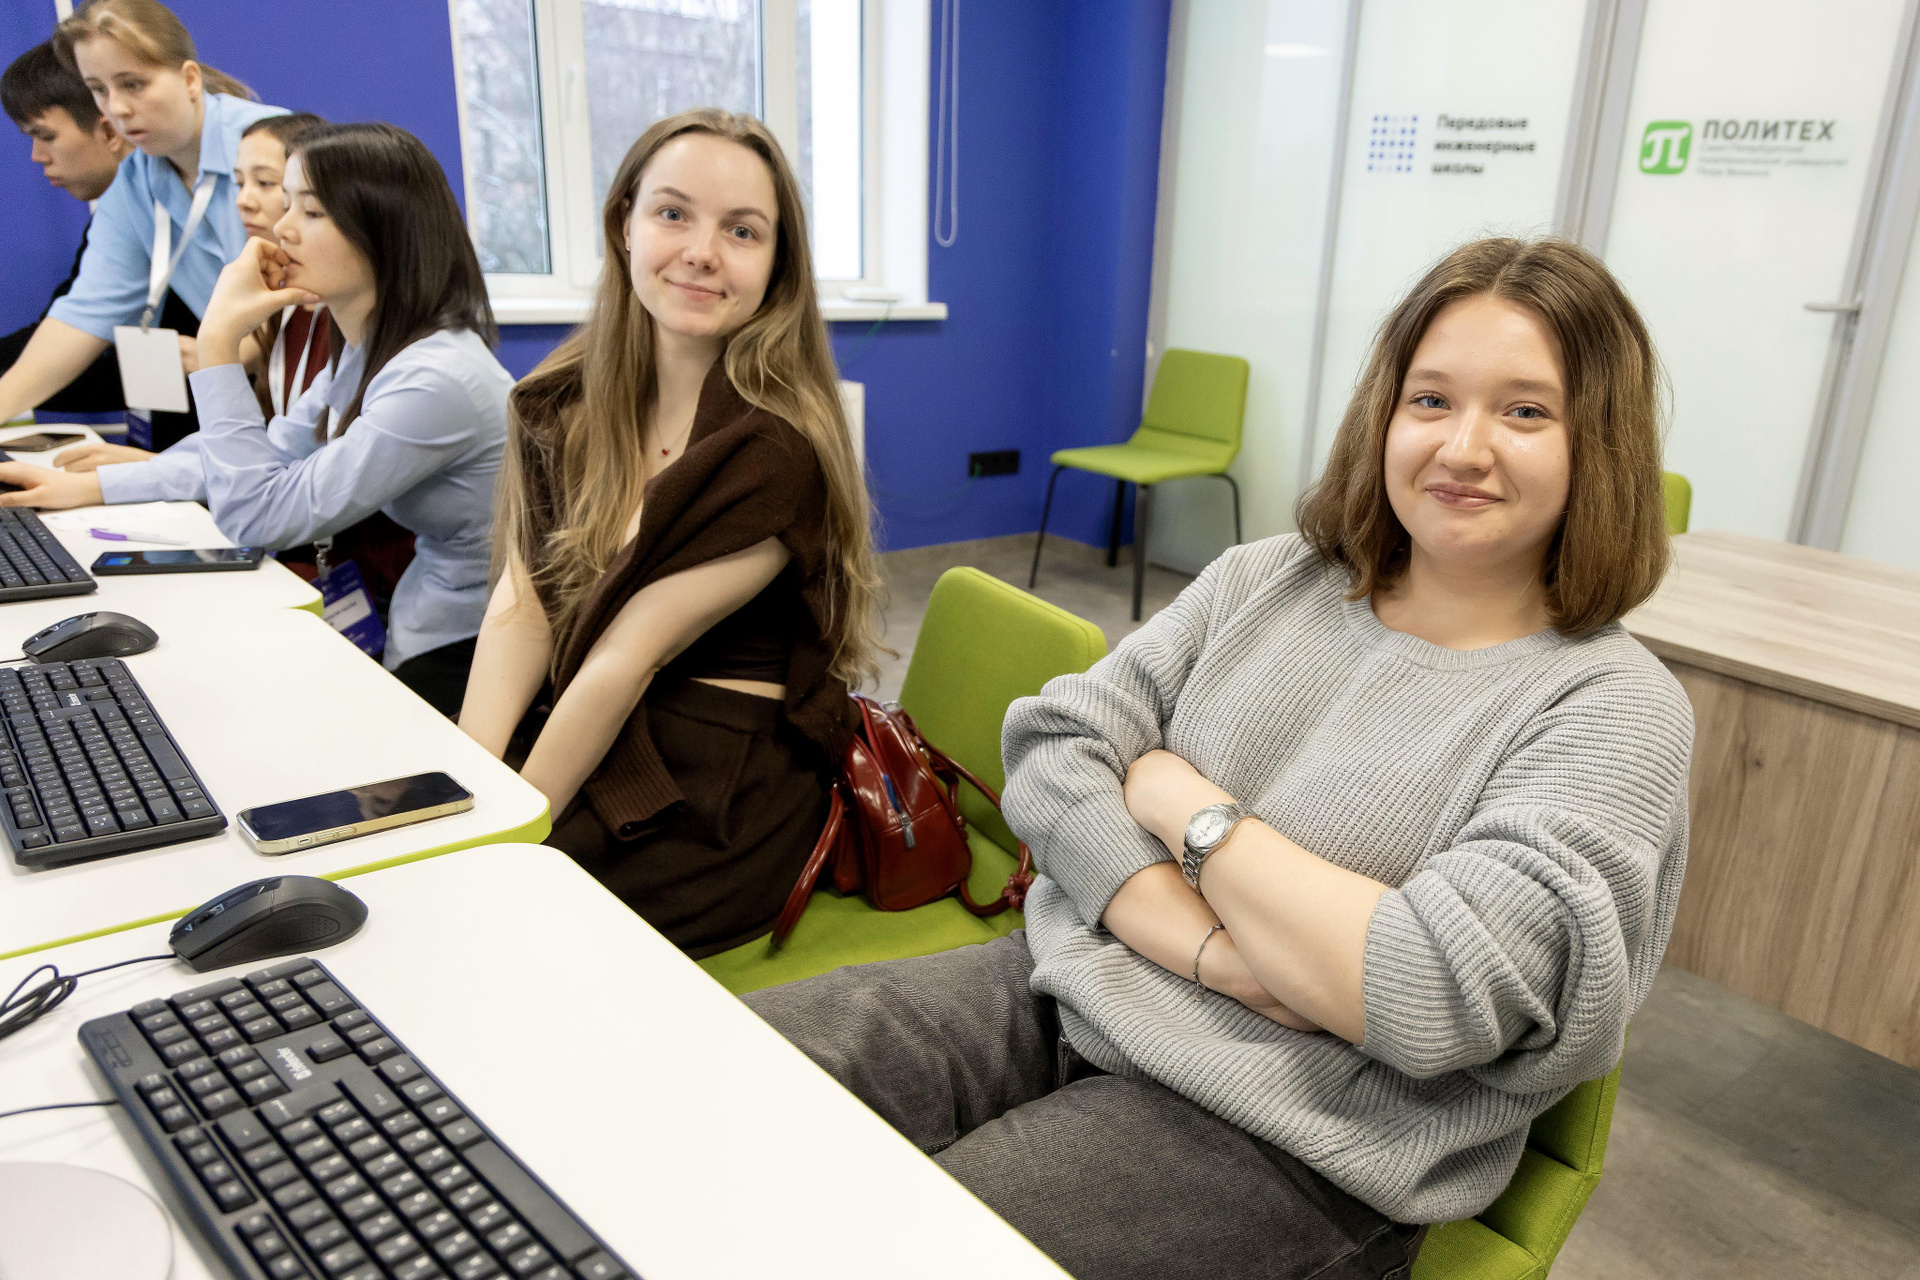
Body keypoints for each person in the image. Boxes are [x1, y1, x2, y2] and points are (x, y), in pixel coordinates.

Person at [744, 237, 1694, 1280]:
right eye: (1431, 399)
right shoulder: (1270, 580)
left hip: (1299, 1125)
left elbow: (1423, 986)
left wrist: (1180, 798)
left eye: (1525, 411)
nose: (1464, 447)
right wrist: (1217, 951)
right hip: (1072, 979)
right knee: (724, 1072)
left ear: (1597, 443)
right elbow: (1053, 748)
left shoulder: (1613, 708)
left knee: (906, 1252)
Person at [458, 108, 883, 959]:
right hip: (595, 718)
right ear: (625, 223)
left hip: (718, 780)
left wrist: (502, 838)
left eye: (742, 230)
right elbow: (524, 601)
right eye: (673, 213)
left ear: (777, 264)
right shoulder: (562, 402)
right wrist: (464, 787)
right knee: (419, 851)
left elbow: (628, 657)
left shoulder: (775, 448)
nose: (702, 251)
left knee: (495, 924)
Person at [3, 122, 510, 718]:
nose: (282, 227)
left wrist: (217, 343)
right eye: (286, 202)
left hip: (474, 644)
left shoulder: (434, 378)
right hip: (429, 614)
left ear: (386, 231)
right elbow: (266, 452)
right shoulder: (372, 351)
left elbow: (259, 515)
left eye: (311, 211)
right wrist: (89, 487)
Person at [0, 0, 285, 452]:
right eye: (98, 89)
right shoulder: (137, 180)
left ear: (189, 79)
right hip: (263, 403)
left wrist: (249, 347)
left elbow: (333, 286)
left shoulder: (274, 146)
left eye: (133, 84)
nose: (116, 108)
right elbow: (84, 315)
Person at [0, 40, 137, 414]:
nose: (36, 156)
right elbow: (67, 330)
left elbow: (90, 359)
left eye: (46, 136)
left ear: (110, 130)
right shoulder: (123, 214)